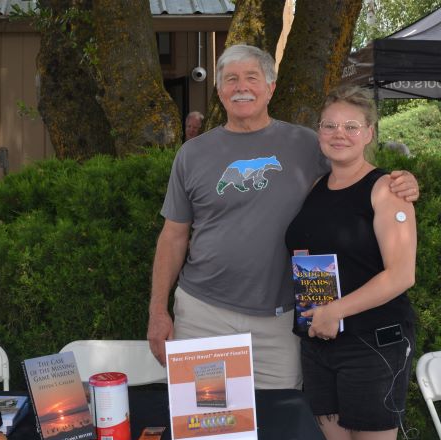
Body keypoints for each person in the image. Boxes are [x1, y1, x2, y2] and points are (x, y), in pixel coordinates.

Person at [146, 44, 418, 389]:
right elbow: (173, 235)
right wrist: (158, 311)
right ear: (219, 90)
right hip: (203, 313)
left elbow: (356, 176)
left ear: (270, 88)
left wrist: (399, 182)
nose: (241, 87)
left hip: (281, 319)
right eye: (231, 79)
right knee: (204, 424)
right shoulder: (192, 154)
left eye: (251, 78)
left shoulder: (307, 145)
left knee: (280, 426)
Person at [285, 86, 414, 440]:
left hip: (373, 344)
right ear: (318, 131)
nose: (339, 134)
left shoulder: (387, 189)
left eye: (351, 126)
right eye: (329, 125)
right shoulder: (317, 186)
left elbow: (401, 275)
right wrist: (320, 315)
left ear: (370, 133)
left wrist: (335, 310)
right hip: (320, 342)